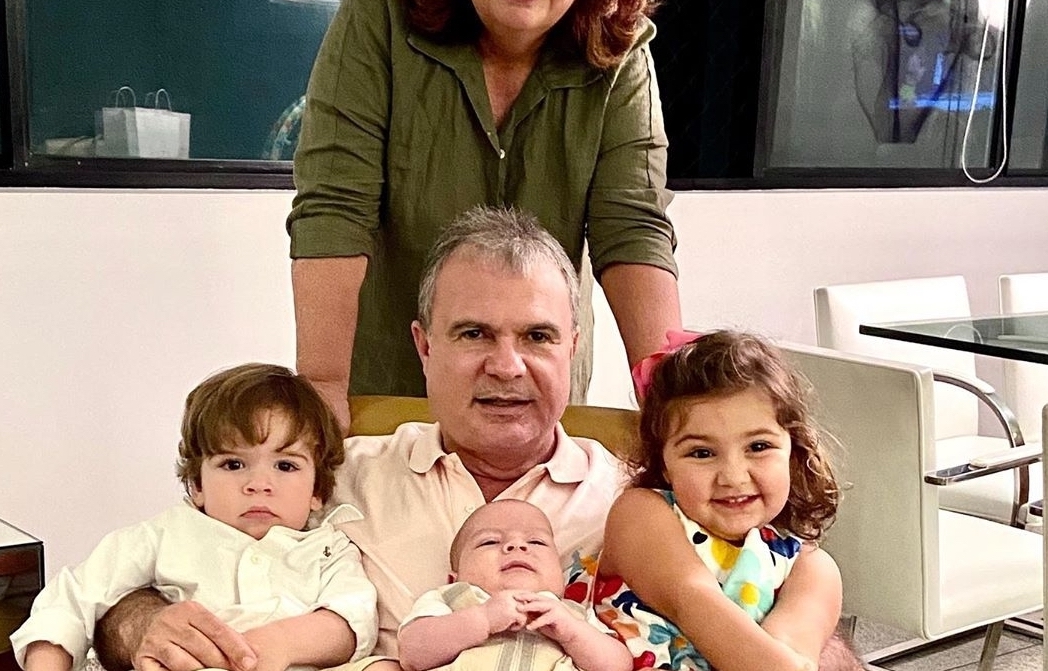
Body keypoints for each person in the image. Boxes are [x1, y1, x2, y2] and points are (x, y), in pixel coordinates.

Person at [93, 209, 861, 671]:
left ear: (571, 347)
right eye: (473, 333)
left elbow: (768, 615)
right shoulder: (334, 474)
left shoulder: (639, 495)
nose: (506, 364)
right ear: (423, 346)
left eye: (537, 335)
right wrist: (139, 622)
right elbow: (158, 564)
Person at [287, 0, 682, 424]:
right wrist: (321, 387)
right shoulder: (382, 6)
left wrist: (673, 410)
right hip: (391, 396)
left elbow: (633, 229)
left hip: (538, 409)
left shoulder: (617, 45)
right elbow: (334, 207)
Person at [15, 364, 377, 671]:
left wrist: (280, 642)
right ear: (197, 484)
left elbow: (352, 619)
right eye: (233, 464)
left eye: (285, 466)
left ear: (317, 491)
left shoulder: (328, 549)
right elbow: (71, 597)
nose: (259, 484)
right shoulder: (167, 533)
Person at [595, 331, 860, 671]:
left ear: (794, 452)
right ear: (664, 464)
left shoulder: (810, 568)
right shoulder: (641, 513)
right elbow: (691, 600)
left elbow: (788, 657)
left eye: (758, 447)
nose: (733, 477)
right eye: (702, 453)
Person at [397, 500, 630, 671]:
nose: (517, 545)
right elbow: (412, 653)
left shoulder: (572, 614)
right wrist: (483, 619)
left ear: (561, 577)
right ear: (454, 579)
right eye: (489, 541)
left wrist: (572, 634)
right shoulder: (450, 599)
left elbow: (619, 665)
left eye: (536, 541)